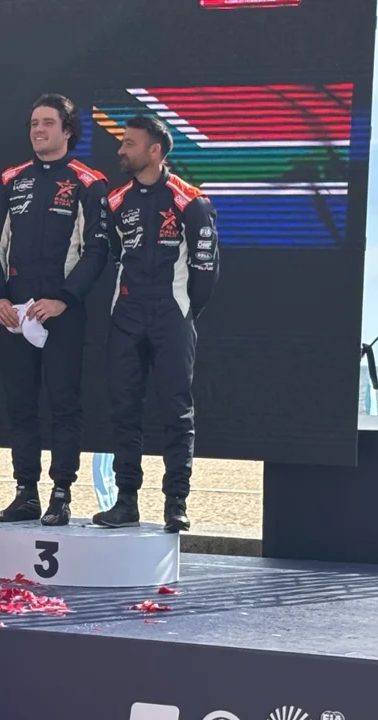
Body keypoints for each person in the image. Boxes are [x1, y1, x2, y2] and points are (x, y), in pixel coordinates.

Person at [92, 113, 220, 533]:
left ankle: (175, 503)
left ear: (155, 150)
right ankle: (126, 502)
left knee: (176, 411)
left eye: (129, 143)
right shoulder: (115, 201)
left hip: (171, 314)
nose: (121, 150)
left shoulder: (190, 201)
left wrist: (183, 311)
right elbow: (110, 254)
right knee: (124, 409)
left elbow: (206, 268)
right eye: (122, 142)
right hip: (126, 315)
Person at [0, 94, 111, 526]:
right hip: (15, 313)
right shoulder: (11, 179)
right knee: (20, 405)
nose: (38, 130)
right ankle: (26, 491)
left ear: (67, 130)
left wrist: (64, 299)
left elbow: (97, 251)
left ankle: (61, 493)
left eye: (47, 123)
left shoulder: (88, 183)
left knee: (64, 404)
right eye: (33, 123)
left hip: (61, 313)